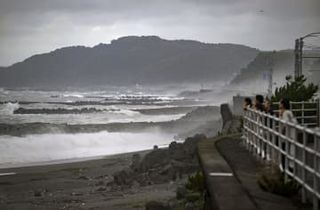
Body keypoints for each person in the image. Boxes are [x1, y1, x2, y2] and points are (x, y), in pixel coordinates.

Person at [279, 98, 297, 172]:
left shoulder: (286, 113)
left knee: (284, 154)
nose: (279, 104)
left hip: (286, 137)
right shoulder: (289, 112)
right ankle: (288, 170)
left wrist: (281, 133)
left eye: (280, 103)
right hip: (291, 136)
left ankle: (285, 172)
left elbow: (284, 124)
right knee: (288, 154)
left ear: (283, 104)